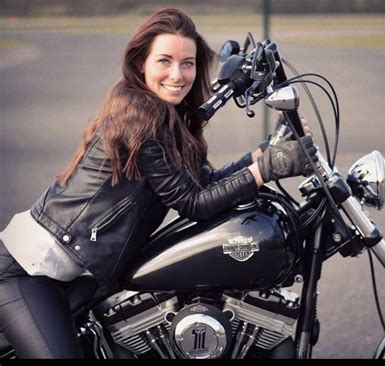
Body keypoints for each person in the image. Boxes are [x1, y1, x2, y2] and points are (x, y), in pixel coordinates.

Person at [0, 8, 316, 359]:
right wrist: (266, 170)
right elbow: (192, 203)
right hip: (31, 271)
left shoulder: (168, 116)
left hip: (78, 272)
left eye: (188, 64)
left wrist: (260, 156)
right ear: (141, 65)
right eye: (164, 61)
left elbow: (203, 182)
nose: (177, 75)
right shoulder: (139, 117)